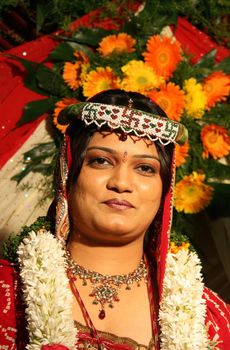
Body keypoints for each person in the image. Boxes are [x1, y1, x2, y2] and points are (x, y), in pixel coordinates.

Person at [0, 89, 229, 349]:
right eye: (101, 161)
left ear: (165, 190)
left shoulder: (211, 323)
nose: (121, 183)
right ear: (67, 174)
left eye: (145, 168)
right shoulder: (8, 292)